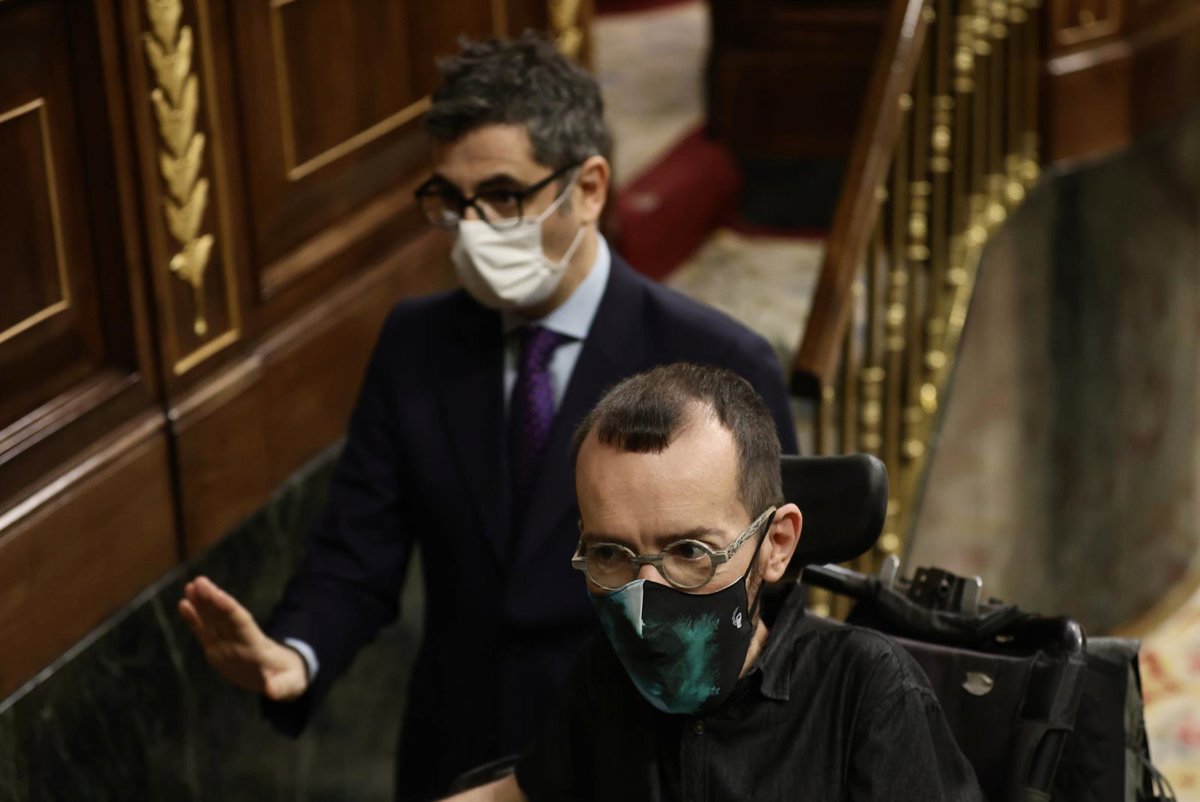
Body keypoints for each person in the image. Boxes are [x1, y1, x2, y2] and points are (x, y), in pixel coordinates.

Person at [178, 34, 798, 801]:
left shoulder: (716, 358)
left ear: (589, 188)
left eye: (504, 196)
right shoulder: (415, 344)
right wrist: (294, 654)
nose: (475, 228)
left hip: (638, 762)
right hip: (456, 752)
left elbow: (767, 604)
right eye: (453, 200)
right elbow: (356, 548)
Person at [448, 363, 983, 802]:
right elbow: (516, 795)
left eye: (689, 552)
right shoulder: (605, 678)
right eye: (610, 553)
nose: (644, 605)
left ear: (775, 545)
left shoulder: (866, 690)